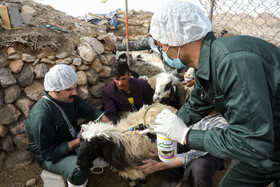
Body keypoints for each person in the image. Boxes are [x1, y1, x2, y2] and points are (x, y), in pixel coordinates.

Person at [146, 0, 280, 186]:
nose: (162, 52)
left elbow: (252, 141)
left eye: (161, 46)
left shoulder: (232, 62)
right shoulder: (206, 64)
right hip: (266, 144)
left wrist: (186, 135)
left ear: (176, 37)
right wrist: (171, 121)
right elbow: (198, 103)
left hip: (262, 144)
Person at [25, 64, 110, 187]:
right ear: (54, 90)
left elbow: (91, 112)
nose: (75, 92)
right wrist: (79, 140)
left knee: (103, 135)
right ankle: (76, 181)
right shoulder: (41, 115)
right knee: (80, 167)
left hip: (70, 138)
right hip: (50, 157)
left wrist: (110, 126)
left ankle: (89, 157)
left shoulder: (69, 98)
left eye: (75, 87)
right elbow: (49, 153)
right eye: (69, 89)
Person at [139, 110, 228, 187]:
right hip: (191, 139)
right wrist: (157, 132)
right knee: (171, 148)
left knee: (198, 168)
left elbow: (196, 153)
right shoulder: (197, 111)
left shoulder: (221, 123)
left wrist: (160, 166)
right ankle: (173, 180)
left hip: (211, 152)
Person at [105, 33, 188, 74]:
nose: (156, 40)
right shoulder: (151, 41)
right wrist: (116, 47)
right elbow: (135, 45)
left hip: (185, 72)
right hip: (170, 73)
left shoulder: (175, 41)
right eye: (153, 37)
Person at [102, 60, 154, 124]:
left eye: (123, 79)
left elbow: (153, 101)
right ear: (113, 78)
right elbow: (111, 115)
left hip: (146, 116)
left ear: (129, 75)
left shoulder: (142, 84)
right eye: (117, 79)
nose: (120, 83)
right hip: (126, 120)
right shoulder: (109, 92)